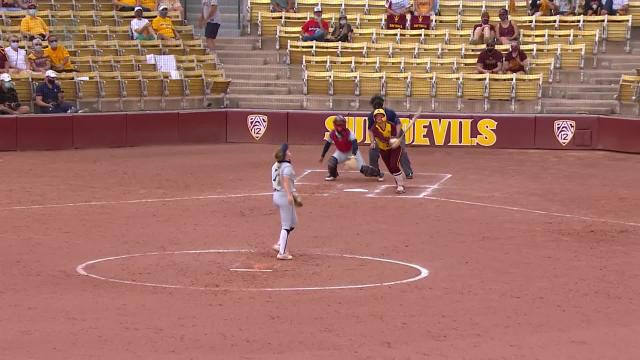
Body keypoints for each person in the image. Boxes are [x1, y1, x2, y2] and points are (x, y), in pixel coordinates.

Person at [320, 115, 383, 181]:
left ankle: (379, 173)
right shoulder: (332, 134)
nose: (340, 127)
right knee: (332, 161)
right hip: (341, 152)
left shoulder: (349, 133)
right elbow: (327, 144)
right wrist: (322, 155)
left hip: (352, 151)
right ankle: (333, 175)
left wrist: (353, 156)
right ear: (335, 125)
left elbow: (355, 145)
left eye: (341, 125)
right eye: (338, 125)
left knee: (364, 170)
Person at [367, 95, 414, 179]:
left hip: (396, 133)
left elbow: (398, 124)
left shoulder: (390, 113)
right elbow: (370, 130)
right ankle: (375, 171)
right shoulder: (371, 116)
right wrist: (372, 141)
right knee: (373, 151)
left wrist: (395, 137)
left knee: (401, 151)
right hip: (381, 136)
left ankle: (408, 172)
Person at [271, 143, 299, 260]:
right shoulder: (287, 167)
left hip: (277, 195)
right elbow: (286, 181)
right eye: (288, 151)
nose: (289, 152)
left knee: (293, 223)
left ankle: (279, 244)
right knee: (286, 226)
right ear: (285, 155)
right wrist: (289, 195)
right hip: (283, 196)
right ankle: (282, 252)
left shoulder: (275, 165)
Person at [370, 109, 406, 194]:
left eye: (381, 116)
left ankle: (400, 185)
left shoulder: (391, 125)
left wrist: (396, 140)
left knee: (394, 165)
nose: (379, 118)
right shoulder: (374, 128)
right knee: (391, 169)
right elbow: (382, 138)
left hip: (395, 149)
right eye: (377, 116)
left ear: (384, 116)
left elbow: (394, 135)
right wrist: (391, 140)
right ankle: (399, 177)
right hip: (384, 150)